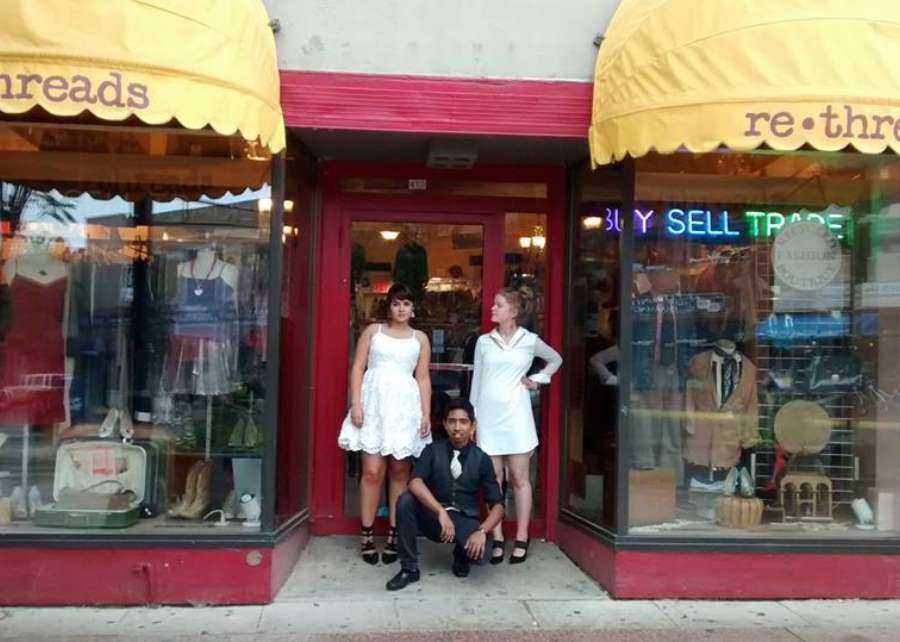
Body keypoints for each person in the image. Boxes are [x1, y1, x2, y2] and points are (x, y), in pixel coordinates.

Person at [338, 283, 432, 565]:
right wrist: (356, 404)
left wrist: (426, 414)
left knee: (400, 471)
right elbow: (358, 368)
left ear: (413, 308)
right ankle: (366, 534)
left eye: (407, 304)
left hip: (405, 408)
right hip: (374, 406)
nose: (401, 309)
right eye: (396, 303)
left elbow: (423, 378)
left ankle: (394, 534)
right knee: (371, 471)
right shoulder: (373, 332)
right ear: (389, 307)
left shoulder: (420, 338)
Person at [469, 287, 562, 565]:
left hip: (517, 416)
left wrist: (537, 380)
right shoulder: (484, 341)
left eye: (498, 305)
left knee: (520, 478)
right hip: (488, 417)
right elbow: (477, 381)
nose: (492, 308)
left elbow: (556, 359)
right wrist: (473, 418)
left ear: (513, 311)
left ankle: (522, 535)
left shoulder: (529, 340)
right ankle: (497, 535)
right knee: (493, 480)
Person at [386, 398, 504, 591]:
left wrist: (482, 531)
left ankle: (461, 554)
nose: (457, 427)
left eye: (463, 422)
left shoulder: (482, 459)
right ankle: (409, 568)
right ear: (444, 424)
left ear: (473, 426)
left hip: (464, 520)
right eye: (452, 421)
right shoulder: (432, 450)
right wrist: (440, 511)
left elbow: (498, 505)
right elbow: (414, 482)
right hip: (436, 518)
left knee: (479, 557)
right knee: (405, 501)